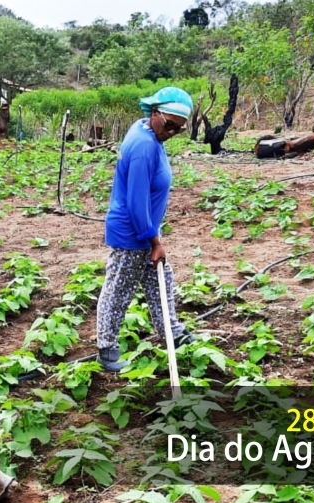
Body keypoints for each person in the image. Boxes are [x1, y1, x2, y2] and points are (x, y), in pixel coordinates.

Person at [96, 87, 196, 372]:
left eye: (179, 129)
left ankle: (172, 333)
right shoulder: (143, 146)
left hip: (146, 230)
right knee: (118, 291)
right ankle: (106, 350)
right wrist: (154, 241)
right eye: (169, 125)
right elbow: (136, 202)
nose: (172, 133)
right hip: (132, 233)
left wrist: (154, 237)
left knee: (160, 280)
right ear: (155, 113)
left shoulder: (147, 131)